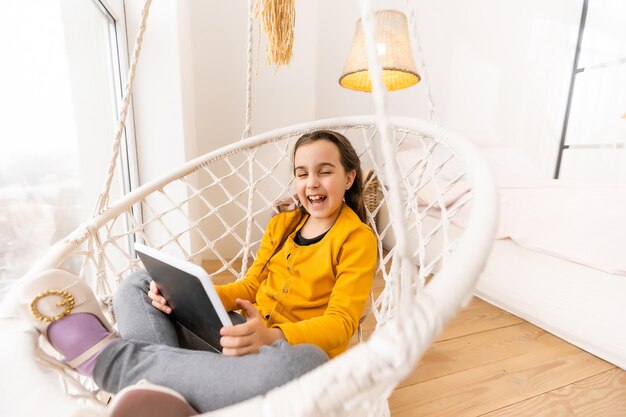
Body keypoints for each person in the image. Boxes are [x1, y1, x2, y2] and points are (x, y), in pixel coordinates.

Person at [18, 130, 378, 416]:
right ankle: (176, 390)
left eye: (324, 172)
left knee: (305, 366)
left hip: (281, 352)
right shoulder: (283, 223)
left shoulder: (356, 238)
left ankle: (114, 363)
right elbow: (250, 285)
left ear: (349, 177)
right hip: (236, 335)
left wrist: (272, 336)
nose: (311, 183)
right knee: (140, 284)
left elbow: (341, 323)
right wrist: (186, 295)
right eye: (302, 174)